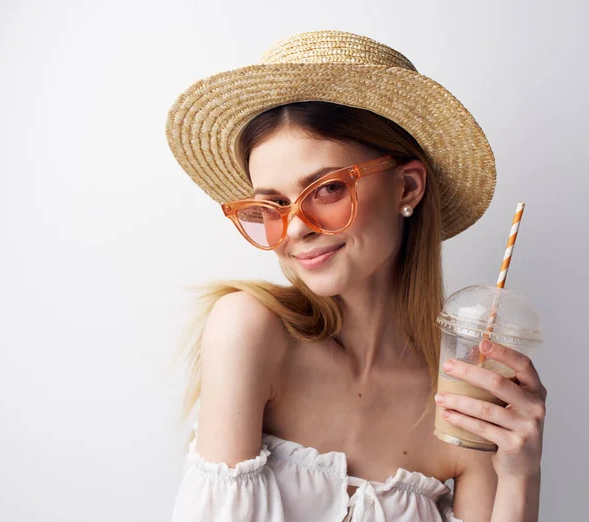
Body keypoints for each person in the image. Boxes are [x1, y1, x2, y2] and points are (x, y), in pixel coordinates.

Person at [165, 30, 547, 522]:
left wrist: (521, 475)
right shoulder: (247, 331)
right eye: (272, 205)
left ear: (407, 186)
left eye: (325, 190)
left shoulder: (463, 395)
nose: (296, 229)